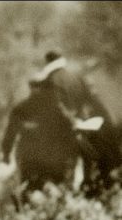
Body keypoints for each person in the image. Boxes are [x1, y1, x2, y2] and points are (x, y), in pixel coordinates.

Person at [39, 49, 121, 192]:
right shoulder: (76, 76)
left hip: (65, 129)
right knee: (88, 160)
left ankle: (73, 194)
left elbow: (57, 106)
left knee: (68, 166)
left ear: (48, 62)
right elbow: (92, 98)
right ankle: (92, 189)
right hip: (86, 124)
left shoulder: (49, 81)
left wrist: (72, 121)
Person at [1, 75, 80, 194]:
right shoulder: (55, 106)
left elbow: (10, 134)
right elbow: (71, 127)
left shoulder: (21, 108)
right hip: (52, 158)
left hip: (31, 158)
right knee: (56, 189)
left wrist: (6, 153)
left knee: (30, 190)